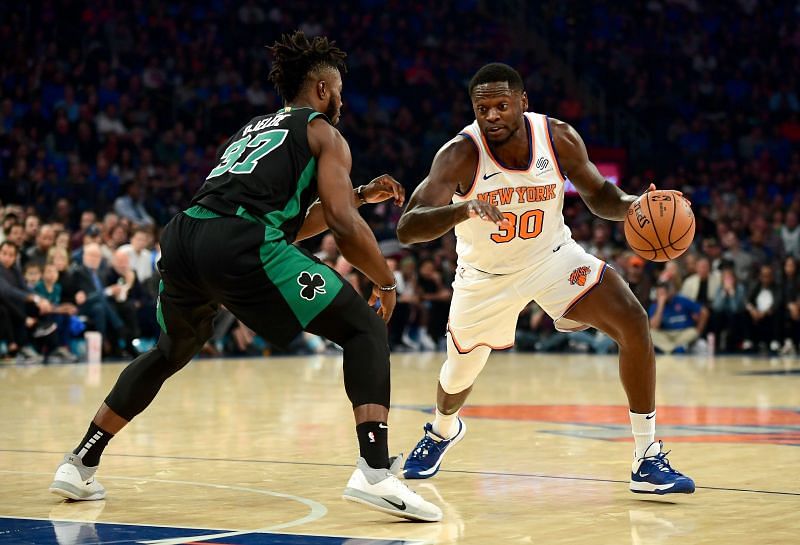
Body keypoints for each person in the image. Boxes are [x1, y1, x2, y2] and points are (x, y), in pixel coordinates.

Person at [49, 31, 441, 522]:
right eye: (338, 89)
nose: (342, 99)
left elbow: (290, 222)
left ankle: (80, 461)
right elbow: (340, 225)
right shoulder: (324, 132)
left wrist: (359, 194)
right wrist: (385, 282)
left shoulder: (255, 128)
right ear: (322, 89)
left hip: (184, 235)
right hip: (238, 240)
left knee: (168, 352)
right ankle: (376, 471)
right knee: (363, 327)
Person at [396, 63, 695, 494]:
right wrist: (463, 209)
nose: (493, 115)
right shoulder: (460, 154)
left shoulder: (557, 138)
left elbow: (599, 195)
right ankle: (442, 430)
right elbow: (409, 227)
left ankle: (646, 458)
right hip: (485, 277)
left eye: (502, 105)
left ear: (523, 102)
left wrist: (633, 205)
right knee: (457, 376)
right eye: (483, 108)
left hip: (551, 258)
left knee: (633, 319)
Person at [648, 280, 710, 354]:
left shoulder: (681, 300)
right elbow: (654, 326)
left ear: (668, 292)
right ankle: (675, 348)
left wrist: (698, 331)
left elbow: (704, 312)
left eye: (663, 293)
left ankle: (669, 349)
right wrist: (661, 305)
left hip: (683, 334)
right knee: (651, 333)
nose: (661, 296)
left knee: (693, 332)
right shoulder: (654, 306)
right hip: (665, 335)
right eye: (659, 294)